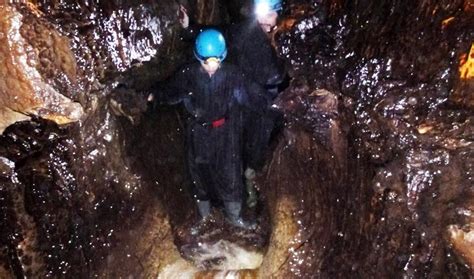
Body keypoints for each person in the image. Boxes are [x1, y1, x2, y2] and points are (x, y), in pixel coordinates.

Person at [151, 29, 262, 232]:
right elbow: (168, 92)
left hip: (225, 131)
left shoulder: (233, 75)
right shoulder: (188, 75)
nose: (211, 68)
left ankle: (234, 217)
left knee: (230, 174)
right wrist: (150, 96)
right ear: (198, 58)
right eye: (206, 63)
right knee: (199, 174)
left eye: (215, 62)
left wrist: (274, 104)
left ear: (223, 57)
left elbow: (254, 97)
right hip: (199, 132)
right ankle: (204, 218)